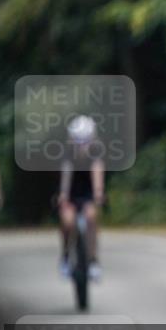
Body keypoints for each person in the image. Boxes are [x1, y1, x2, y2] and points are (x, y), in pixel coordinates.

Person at [58, 115, 106, 280]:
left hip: (88, 193)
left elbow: (97, 173)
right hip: (71, 193)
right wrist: (63, 196)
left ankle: (93, 260)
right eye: (79, 141)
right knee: (68, 221)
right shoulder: (68, 155)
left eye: (85, 141)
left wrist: (99, 194)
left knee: (91, 217)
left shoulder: (96, 153)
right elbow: (66, 176)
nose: (82, 146)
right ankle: (65, 256)